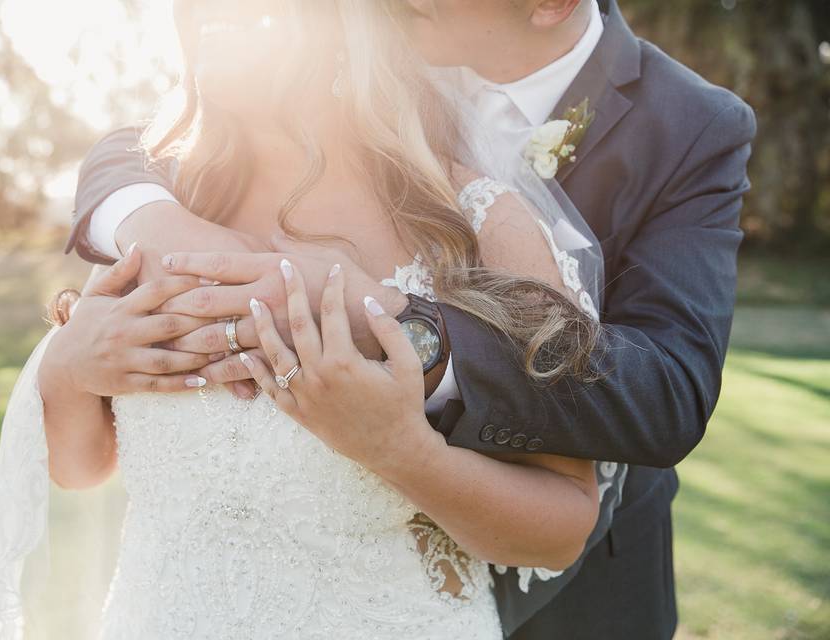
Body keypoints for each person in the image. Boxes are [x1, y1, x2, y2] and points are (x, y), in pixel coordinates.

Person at [62, 1, 757, 638]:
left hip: (555, 602)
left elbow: (666, 392)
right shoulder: (186, 191)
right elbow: (147, 135)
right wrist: (139, 239)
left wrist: (382, 326)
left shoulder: (681, 131)